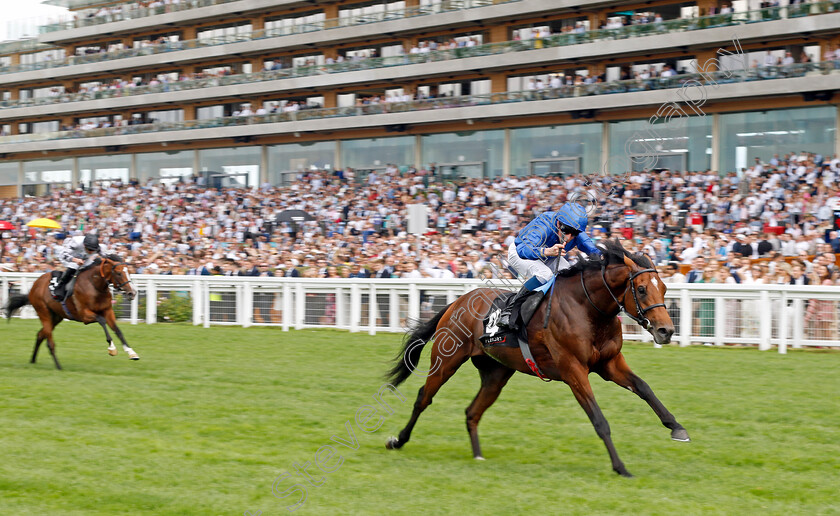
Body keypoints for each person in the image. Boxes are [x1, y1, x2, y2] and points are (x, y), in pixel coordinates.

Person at [497, 202, 602, 332]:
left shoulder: (575, 229)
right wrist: (546, 252)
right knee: (545, 274)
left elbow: (593, 250)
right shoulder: (544, 225)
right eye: (566, 231)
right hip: (520, 253)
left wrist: (608, 259)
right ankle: (510, 310)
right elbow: (524, 250)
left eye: (574, 233)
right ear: (558, 223)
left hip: (549, 256)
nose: (569, 237)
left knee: (568, 273)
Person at [51, 233, 102, 300]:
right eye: (89, 249)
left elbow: (104, 255)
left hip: (83, 258)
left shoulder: (96, 247)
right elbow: (63, 255)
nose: (91, 252)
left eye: (93, 250)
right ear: (84, 245)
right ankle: (59, 290)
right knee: (73, 267)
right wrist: (75, 260)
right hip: (68, 257)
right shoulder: (76, 242)